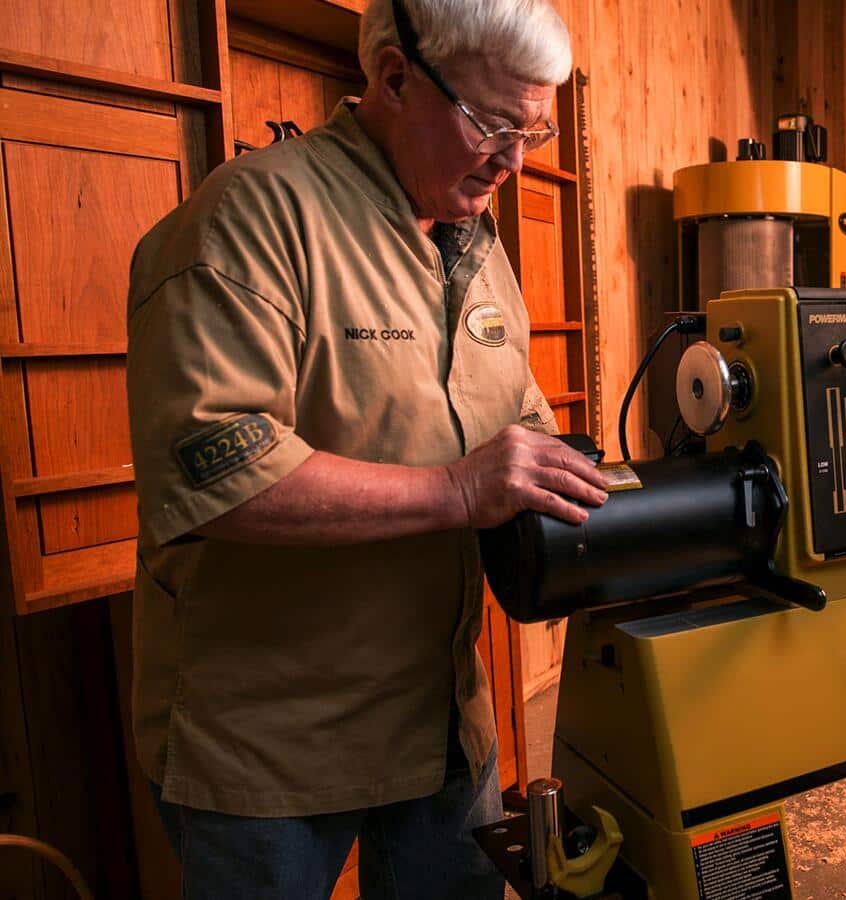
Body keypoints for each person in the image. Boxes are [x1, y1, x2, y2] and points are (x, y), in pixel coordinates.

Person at [123, 0, 607, 896]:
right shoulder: (251, 219)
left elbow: (516, 415)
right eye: (494, 126)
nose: (513, 161)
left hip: (442, 724)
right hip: (269, 752)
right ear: (394, 78)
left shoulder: (475, 239)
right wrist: (461, 492)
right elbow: (220, 478)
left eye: (531, 132)